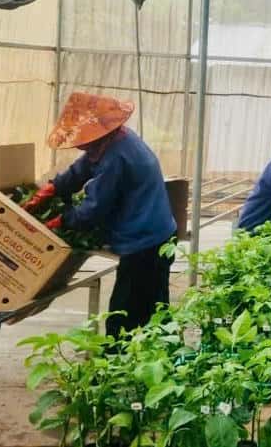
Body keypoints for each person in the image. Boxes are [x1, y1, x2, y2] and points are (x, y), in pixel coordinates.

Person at [22, 92, 176, 338]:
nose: (80, 145)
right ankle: (155, 352)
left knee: (126, 312)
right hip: (157, 233)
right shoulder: (118, 139)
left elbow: (93, 209)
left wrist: (58, 222)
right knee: (153, 304)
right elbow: (83, 167)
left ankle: (116, 362)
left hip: (145, 242)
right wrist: (53, 189)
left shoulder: (116, 157)